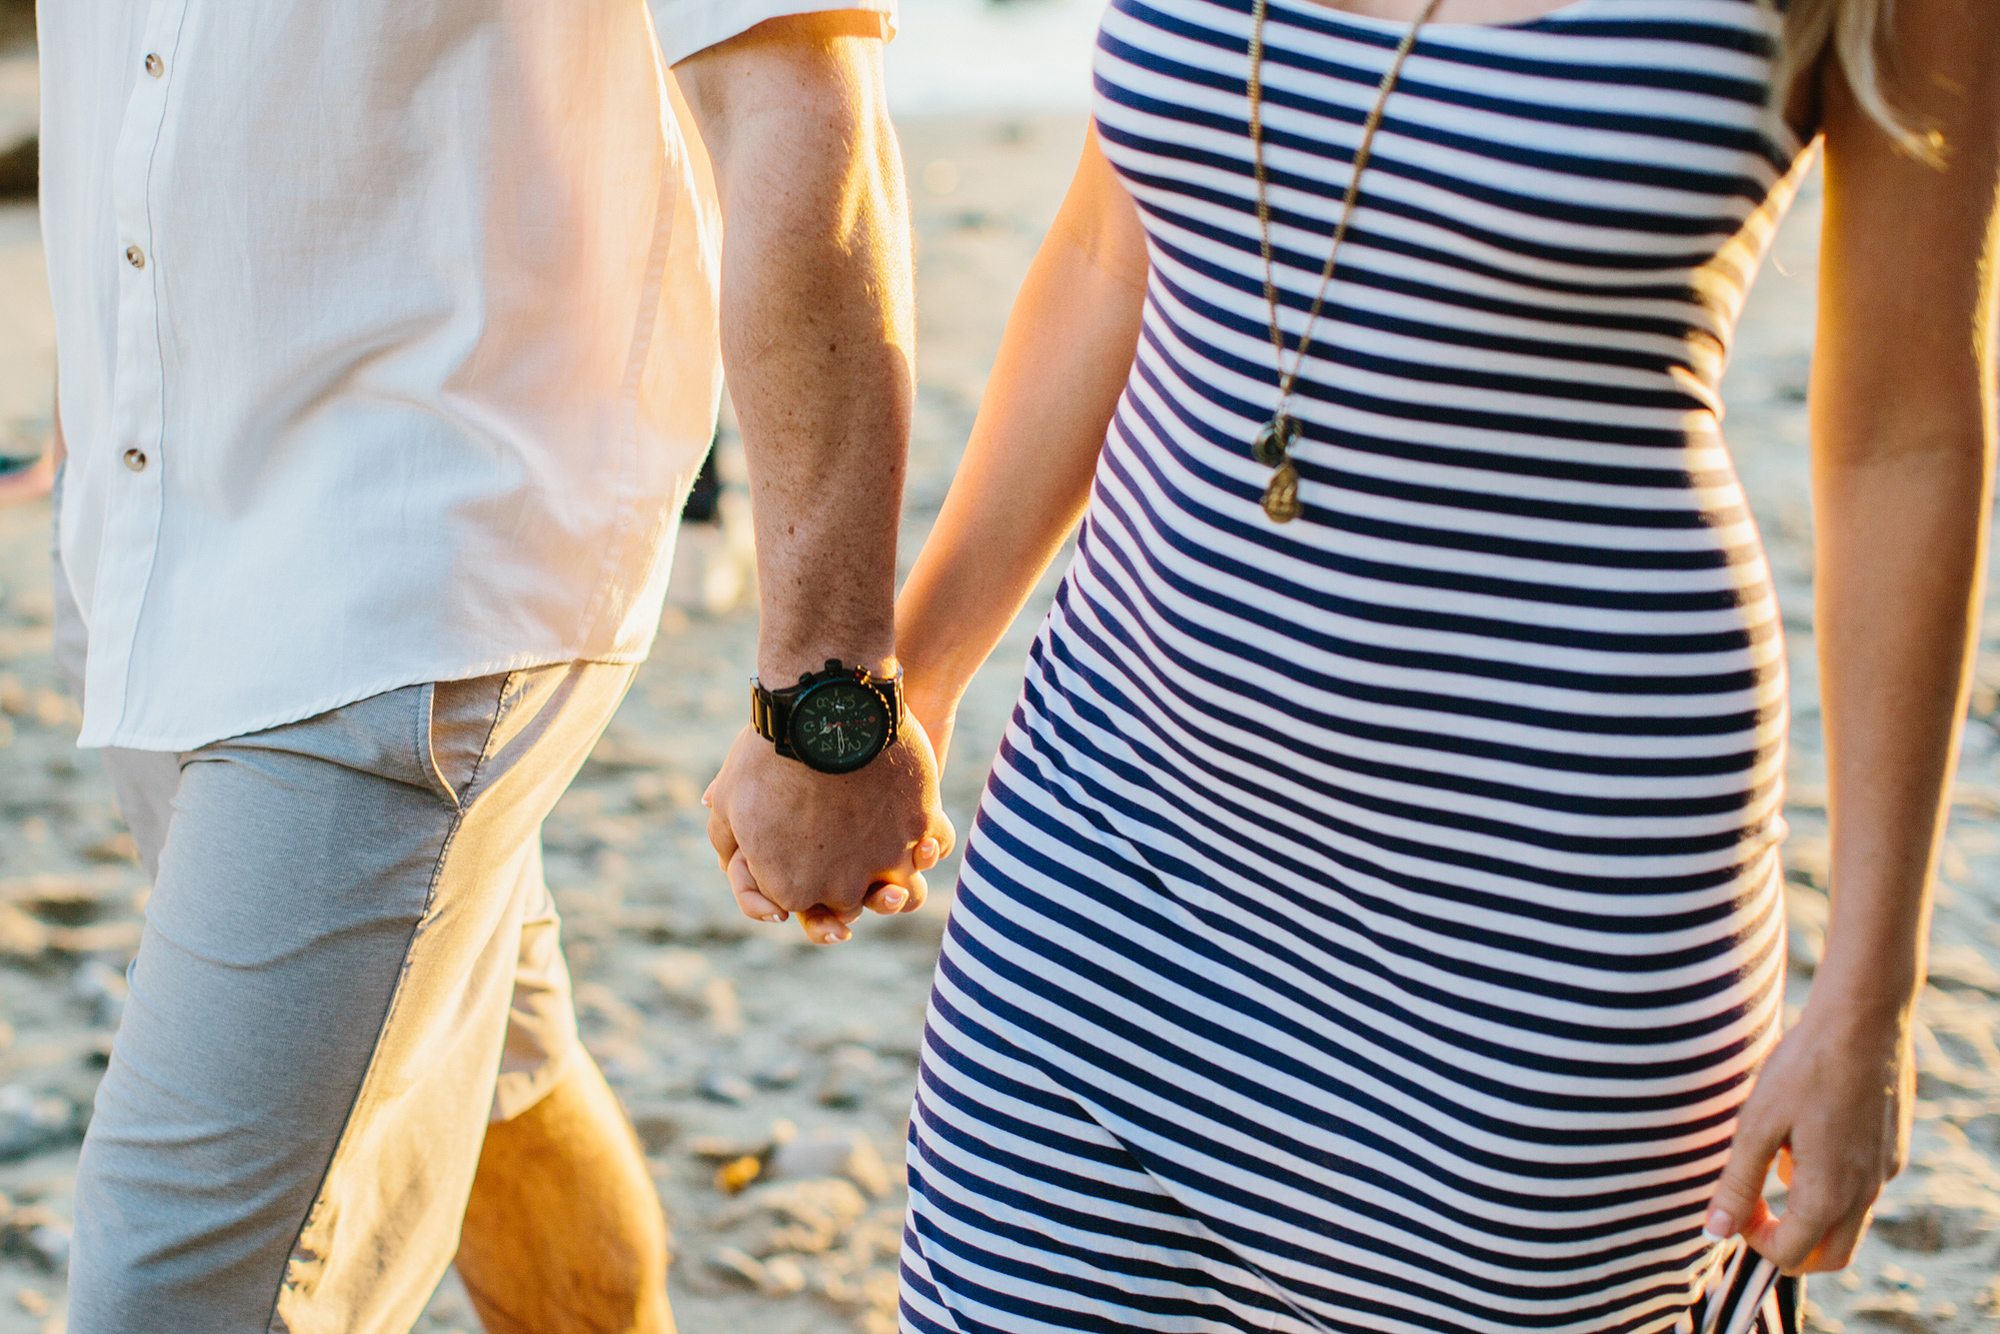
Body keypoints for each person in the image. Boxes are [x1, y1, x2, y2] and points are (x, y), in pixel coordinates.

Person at [863, 0, 2000, 1327]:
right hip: (1114, 841)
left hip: (1543, 933)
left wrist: (1871, 996)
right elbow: (1110, 251)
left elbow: (1904, 434)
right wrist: (909, 679)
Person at [27, 1, 952, 1329]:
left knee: (168, 1291)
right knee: (497, 1091)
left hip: (421, 567)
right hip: (152, 536)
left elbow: (798, 100)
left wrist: (830, 700)